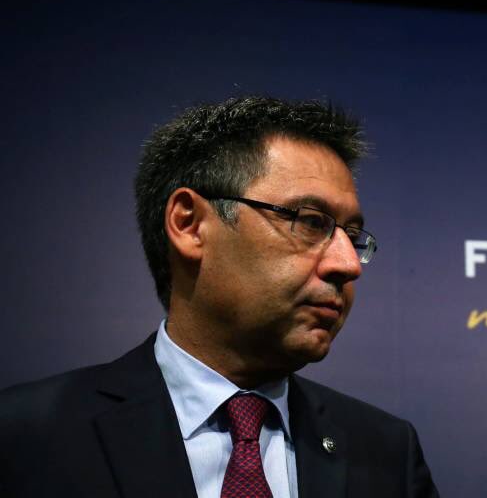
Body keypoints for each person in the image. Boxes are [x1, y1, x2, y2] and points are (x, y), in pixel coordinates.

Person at [0, 96, 440, 497]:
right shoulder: (26, 436)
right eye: (310, 222)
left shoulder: (387, 453)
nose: (347, 264)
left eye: (353, 236)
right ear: (189, 224)